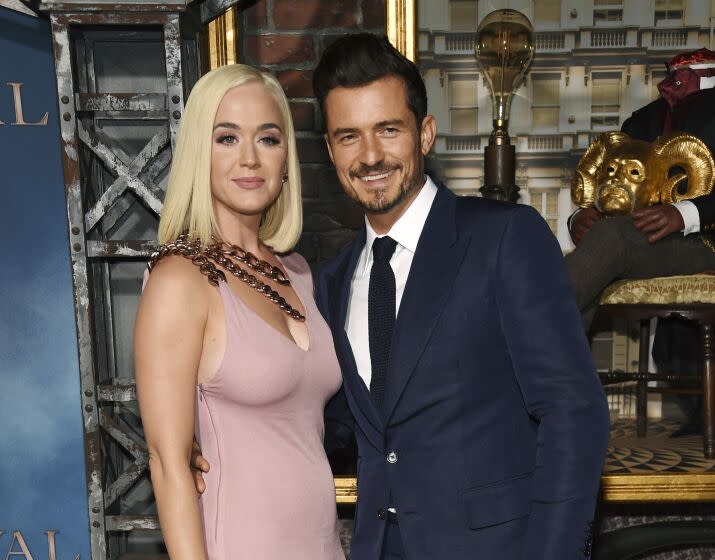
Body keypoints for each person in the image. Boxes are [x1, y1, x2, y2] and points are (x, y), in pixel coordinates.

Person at [192, 34, 610, 559]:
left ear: (425, 133)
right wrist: (206, 436)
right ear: (330, 151)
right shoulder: (333, 281)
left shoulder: (504, 238)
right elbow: (322, 418)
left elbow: (574, 411)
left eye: (388, 131)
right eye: (349, 136)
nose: (370, 156)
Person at [134, 63, 345, 560]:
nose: (250, 159)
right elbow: (168, 463)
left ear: (287, 159)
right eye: (227, 138)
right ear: (197, 155)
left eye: (268, 139)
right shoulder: (179, 280)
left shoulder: (297, 273)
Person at [565, 49, 715, 436]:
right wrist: (581, 215)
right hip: (639, 239)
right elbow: (606, 182)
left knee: (609, 242)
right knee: (598, 248)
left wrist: (686, 213)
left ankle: (517, 363)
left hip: (708, 239)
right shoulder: (643, 118)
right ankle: (558, 404)